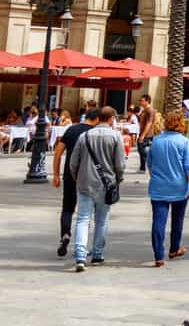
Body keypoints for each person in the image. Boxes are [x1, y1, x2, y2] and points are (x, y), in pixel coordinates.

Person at [63, 107, 125, 272]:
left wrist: (78, 178)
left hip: (85, 183)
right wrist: (118, 179)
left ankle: (80, 256)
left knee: (83, 219)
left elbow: (73, 162)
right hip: (107, 184)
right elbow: (120, 164)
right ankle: (97, 254)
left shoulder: (85, 136)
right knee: (102, 220)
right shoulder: (115, 136)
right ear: (111, 118)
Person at [145, 110, 189, 267]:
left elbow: (150, 164)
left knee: (158, 221)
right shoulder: (184, 142)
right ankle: (174, 248)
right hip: (179, 187)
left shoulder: (156, 141)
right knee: (177, 219)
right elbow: (188, 167)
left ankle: (158, 256)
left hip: (158, 187)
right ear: (181, 123)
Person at [46, 106, 97, 257]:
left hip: (70, 175)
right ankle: (81, 245)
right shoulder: (94, 133)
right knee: (85, 212)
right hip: (88, 177)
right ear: (97, 119)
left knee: (67, 208)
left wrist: (56, 174)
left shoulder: (71, 129)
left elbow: (58, 152)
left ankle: (65, 234)